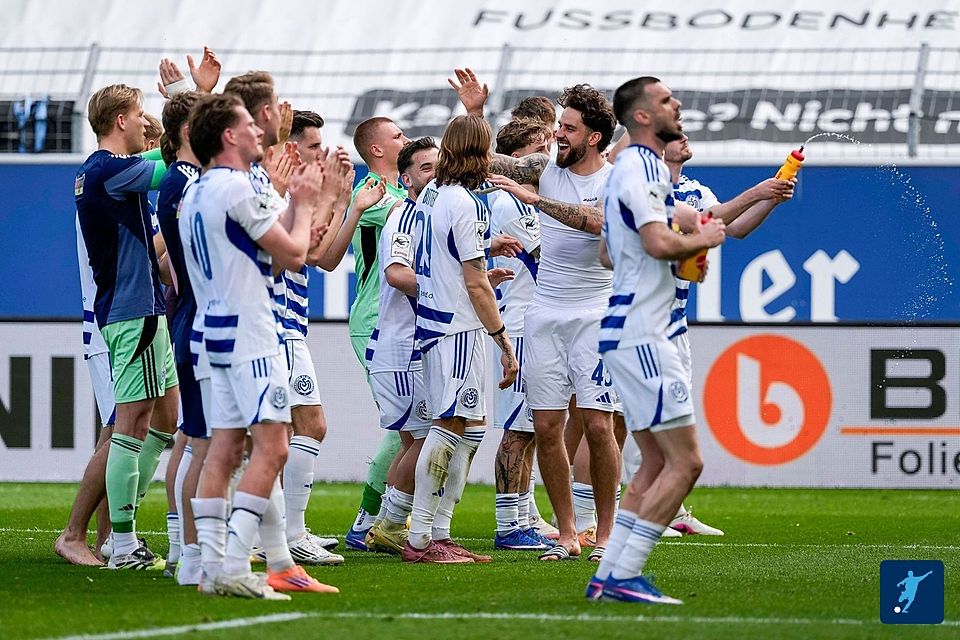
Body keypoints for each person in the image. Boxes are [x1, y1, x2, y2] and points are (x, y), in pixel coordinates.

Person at [180, 92, 336, 598]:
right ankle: (230, 565)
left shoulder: (197, 193)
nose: (257, 131)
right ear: (228, 136)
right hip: (250, 336)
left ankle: (209, 565)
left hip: (212, 334)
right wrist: (309, 198)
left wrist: (297, 199)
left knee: (223, 449)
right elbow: (294, 255)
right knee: (272, 448)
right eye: (248, 123)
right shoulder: (236, 190)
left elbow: (264, 260)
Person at [586, 76, 726, 604]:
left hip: (630, 329)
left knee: (655, 464)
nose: (678, 105)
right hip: (645, 333)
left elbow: (609, 253)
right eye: (667, 100)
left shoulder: (629, 171)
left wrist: (678, 231)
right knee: (686, 463)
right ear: (643, 116)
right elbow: (655, 242)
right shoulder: (641, 165)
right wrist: (699, 236)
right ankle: (622, 576)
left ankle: (609, 577)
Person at [487, 84, 620, 561]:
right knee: (546, 427)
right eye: (558, 127)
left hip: (594, 316)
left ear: (596, 137)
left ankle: (604, 536)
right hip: (544, 315)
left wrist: (536, 201)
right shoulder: (543, 168)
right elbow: (487, 161)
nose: (557, 136)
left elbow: (600, 222)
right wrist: (475, 112)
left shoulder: (613, 179)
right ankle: (566, 534)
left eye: (568, 129)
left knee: (599, 428)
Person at [403, 115, 518, 564]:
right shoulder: (465, 204)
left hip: (435, 320)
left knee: (469, 426)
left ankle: (439, 530)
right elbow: (475, 285)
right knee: (450, 424)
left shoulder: (434, 194)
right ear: (480, 153)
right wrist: (504, 343)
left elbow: (454, 260)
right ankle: (419, 539)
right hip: (458, 326)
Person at [75, 84, 180, 570]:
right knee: (132, 423)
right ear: (119, 120)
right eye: (139, 114)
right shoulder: (109, 171)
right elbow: (174, 159)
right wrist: (188, 97)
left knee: (163, 417)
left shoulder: (110, 174)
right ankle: (121, 542)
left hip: (146, 308)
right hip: (130, 311)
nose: (144, 122)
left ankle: (125, 529)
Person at [362, 137, 434, 554]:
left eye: (438, 166)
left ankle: (385, 524)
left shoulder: (431, 217)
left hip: (412, 347)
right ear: (405, 179)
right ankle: (388, 524)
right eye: (425, 168)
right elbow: (396, 275)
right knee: (427, 440)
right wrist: (446, 287)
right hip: (400, 350)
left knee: (415, 442)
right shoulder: (404, 218)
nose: (435, 174)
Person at [344, 116, 411, 550]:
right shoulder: (370, 198)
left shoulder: (403, 192)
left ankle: (387, 520)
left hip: (405, 321)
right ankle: (369, 521)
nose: (405, 140)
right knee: (404, 426)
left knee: (415, 422)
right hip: (374, 321)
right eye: (399, 136)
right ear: (378, 151)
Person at [488, 118, 554, 552]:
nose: (548, 153)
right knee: (519, 428)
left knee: (530, 426)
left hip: (533, 320)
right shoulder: (510, 203)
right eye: (540, 145)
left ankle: (523, 516)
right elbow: (545, 258)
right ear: (518, 157)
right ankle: (509, 524)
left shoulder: (528, 200)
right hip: (520, 324)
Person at [155, 89, 207, 583]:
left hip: (196, 314)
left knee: (199, 439)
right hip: (202, 319)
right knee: (205, 442)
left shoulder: (189, 179)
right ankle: (195, 552)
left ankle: (189, 550)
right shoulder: (186, 182)